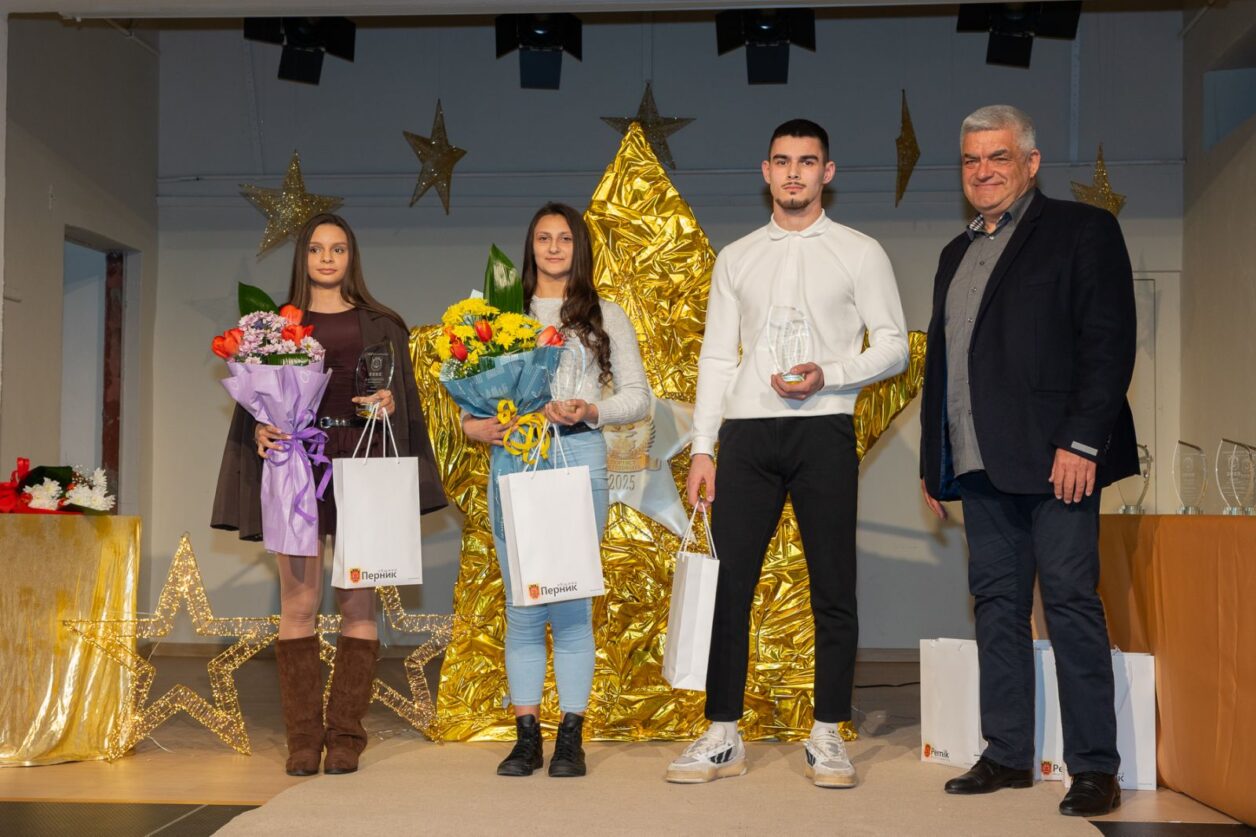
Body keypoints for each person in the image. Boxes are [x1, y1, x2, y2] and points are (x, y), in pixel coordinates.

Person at [666, 120, 909, 787]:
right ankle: (722, 732)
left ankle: (827, 731)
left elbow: (894, 346)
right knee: (730, 585)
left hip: (824, 428)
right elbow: (717, 357)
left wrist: (830, 373)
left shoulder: (860, 252)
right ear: (766, 171)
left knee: (834, 585)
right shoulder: (737, 257)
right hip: (747, 434)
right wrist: (704, 448)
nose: (794, 172)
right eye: (782, 161)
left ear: (827, 172)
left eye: (807, 161)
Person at [919, 105, 1138, 817]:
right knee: (996, 606)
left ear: (1031, 162)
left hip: (1058, 462)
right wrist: (933, 460)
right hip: (978, 464)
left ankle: (1095, 766)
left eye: (998, 157)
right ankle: (1009, 752)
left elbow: (1108, 343)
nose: (983, 171)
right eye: (971, 159)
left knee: (1070, 603)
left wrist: (1082, 442)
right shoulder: (954, 254)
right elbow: (945, 368)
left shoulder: (1082, 230)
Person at [211, 213, 447, 776]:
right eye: (317, 249)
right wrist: (262, 428)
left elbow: (405, 400)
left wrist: (390, 403)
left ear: (351, 257)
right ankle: (303, 739)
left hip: (364, 459)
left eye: (337, 249)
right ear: (304, 257)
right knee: (298, 604)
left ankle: (346, 736)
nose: (326, 258)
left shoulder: (384, 323)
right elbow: (256, 405)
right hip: (298, 461)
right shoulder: (274, 327)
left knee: (357, 605)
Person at [462, 202, 649, 778]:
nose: (553, 248)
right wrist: (474, 426)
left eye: (564, 238)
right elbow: (471, 397)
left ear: (579, 247)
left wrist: (590, 409)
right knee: (523, 606)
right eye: (543, 238)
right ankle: (526, 739)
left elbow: (637, 396)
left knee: (569, 603)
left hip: (578, 457)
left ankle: (571, 737)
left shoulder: (605, 314)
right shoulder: (498, 313)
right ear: (530, 247)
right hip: (515, 457)